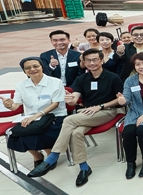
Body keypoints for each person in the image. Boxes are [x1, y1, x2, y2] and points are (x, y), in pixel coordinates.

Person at [28, 48, 122, 187]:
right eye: (88, 60)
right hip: (87, 113)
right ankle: (84, 167)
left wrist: (100, 106)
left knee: (69, 119)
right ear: (84, 62)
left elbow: (119, 99)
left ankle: (52, 157)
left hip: (107, 111)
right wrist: (70, 99)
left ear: (101, 61)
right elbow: (74, 99)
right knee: (76, 133)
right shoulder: (81, 79)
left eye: (95, 59)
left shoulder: (113, 77)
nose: (92, 63)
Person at [1, 57, 67, 169]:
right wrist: (9, 105)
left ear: (42, 67)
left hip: (55, 116)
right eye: (27, 68)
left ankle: (50, 156)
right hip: (33, 118)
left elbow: (55, 104)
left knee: (40, 132)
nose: (32, 69)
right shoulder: (21, 86)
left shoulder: (56, 82)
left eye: (35, 66)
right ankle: (37, 156)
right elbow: (15, 105)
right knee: (17, 134)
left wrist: (36, 116)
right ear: (24, 71)